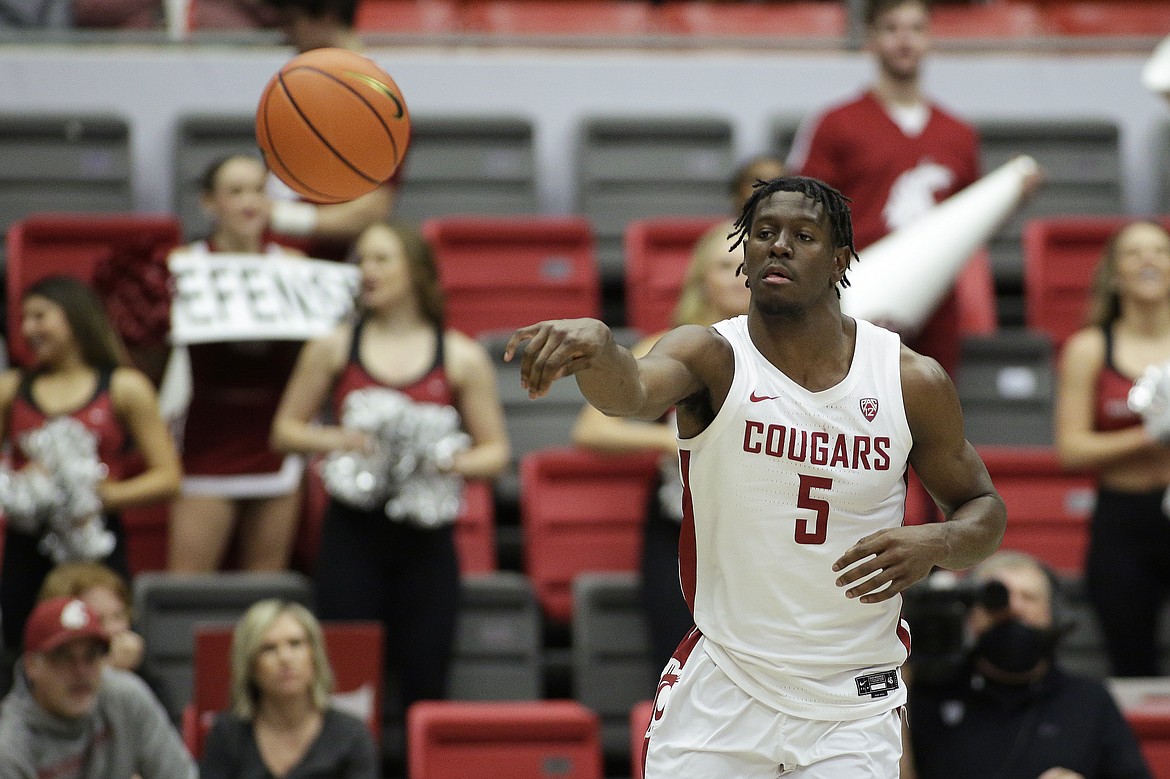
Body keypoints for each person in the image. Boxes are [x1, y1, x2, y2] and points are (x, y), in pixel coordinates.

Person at [506, 175, 1007, 776]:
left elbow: (983, 508)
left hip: (851, 699)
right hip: (727, 682)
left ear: (842, 260)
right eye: (763, 233)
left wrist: (939, 542)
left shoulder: (908, 379)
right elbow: (633, 392)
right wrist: (601, 349)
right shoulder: (710, 354)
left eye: (803, 235)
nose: (778, 246)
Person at [271, 221, 509, 740]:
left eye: (382, 260)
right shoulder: (334, 347)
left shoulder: (459, 355)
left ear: (417, 271)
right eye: (362, 261)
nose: (368, 272)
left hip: (426, 545)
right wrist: (342, 441)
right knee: (347, 686)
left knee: (427, 679)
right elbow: (284, 430)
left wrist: (442, 459)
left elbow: (495, 454)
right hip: (350, 537)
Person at [572, 220, 750, 670]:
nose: (736, 274)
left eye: (747, 264)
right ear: (701, 278)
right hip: (681, 527)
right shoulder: (675, 346)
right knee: (680, 663)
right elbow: (592, 428)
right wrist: (671, 440)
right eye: (724, 264)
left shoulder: (790, 352)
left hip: (761, 527)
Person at [786, 0, 984, 377]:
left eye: (916, 29)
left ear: (930, 38)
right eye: (892, 29)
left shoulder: (958, 133)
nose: (904, 41)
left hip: (935, 301)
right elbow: (804, 210)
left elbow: (969, 220)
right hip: (855, 293)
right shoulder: (836, 123)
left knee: (930, 414)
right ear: (871, 39)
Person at [0, 276, 181, 655]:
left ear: (75, 317)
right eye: (23, 319)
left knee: (105, 645)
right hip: (27, 548)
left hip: (96, 545)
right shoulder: (11, 389)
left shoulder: (124, 386)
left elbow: (168, 477)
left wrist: (100, 495)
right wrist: (20, 487)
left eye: (40, 316)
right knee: (24, 646)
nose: (28, 329)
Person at [167, 154, 305, 573]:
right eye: (236, 191)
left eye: (259, 190)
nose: (250, 201)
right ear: (210, 203)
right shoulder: (183, 267)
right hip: (207, 438)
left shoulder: (296, 269)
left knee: (266, 588)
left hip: (274, 439)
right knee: (187, 587)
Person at [908, 550, 1152, 779]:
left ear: (1054, 615)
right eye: (997, 597)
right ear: (971, 613)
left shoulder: (1089, 701)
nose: (1014, 608)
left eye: (1029, 597)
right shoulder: (928, 697)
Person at [1054, 220, 1170, 678]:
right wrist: (1151, 436)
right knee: (1130, 665)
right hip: (1122, 520)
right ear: (1114, 274)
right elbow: (1071, 450)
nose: (1148, 260)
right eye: (1133, 253)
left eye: (1160, 251)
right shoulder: (1088, 348)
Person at [257, 0, 399, 263]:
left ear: (326, 17)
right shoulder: (302, 83)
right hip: (273, 257)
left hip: (319, 268)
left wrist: (279, 217)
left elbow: (372, 209)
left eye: (292, 22)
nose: (286, 34)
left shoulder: (372, 98)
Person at [0, 596, 196, 778]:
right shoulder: (9, 746)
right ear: (32, 665)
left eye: (91, 656)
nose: (80, 671)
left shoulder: (126, 698)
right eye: (64, 657)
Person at [200, 599, 379, 779]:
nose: (285, 658)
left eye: (295, 643)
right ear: (250, 665)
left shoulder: (351, 734)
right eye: (268, 648)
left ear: (314, 656)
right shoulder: (226, 735)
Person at [37, 561, 148, 682]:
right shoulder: (42, 677)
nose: (114, 629)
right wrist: (109, 670)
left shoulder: (148, 667)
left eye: (118, 616)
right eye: (98, 619)